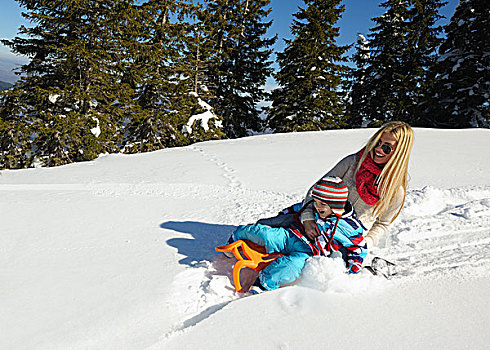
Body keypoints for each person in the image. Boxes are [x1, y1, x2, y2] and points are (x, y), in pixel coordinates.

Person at [230, 176, 366, 293]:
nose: (317, 207)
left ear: (335, 205)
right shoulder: (315, 206)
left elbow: (359, 247)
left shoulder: (349, 226)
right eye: (316, 202)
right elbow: (297, 208)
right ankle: (235, 238)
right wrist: (282, 215)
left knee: (290, 266)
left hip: (308, 252)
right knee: (264, 233)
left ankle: (264, 283)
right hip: (291, 235)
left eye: (322, 204)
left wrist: (353, 268)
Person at [299, 121, 414, 248]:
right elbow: (317, 189)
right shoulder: (352, 162)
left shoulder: (395, 189)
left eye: (386, 148)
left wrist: (365, 243)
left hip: (345, 238)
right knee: (275, 228)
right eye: (377, 142)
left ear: (399, 153)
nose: (378, 149)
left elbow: (383, 223)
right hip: (316, 220)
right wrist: (307, 218)